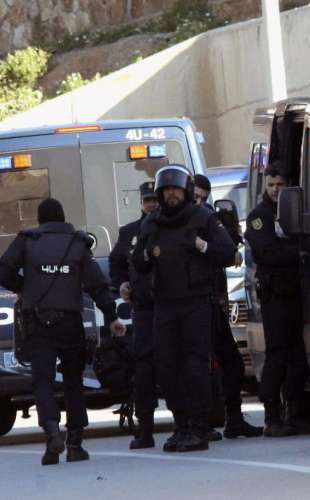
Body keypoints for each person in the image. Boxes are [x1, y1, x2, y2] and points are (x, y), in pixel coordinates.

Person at [0, 198, 125, 466]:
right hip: (70, 322)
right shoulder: (77, 244)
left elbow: (5, 270)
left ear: (40, 220)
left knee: (42, 380)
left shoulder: (27, 240)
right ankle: (75, 443)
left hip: (38, 322)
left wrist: (23, 286)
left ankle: (52, 432)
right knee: (73, 382)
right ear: (63, 218)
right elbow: (97, 285)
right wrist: (112, 316)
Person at [132, 165, 236, 452]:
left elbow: (228, 253)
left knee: (194, 366)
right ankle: (181, 425)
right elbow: (138, 263)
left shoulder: (202, 218)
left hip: (196, 302)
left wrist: (203, 246)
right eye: (166, 191)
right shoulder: (152, 223)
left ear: (187, 191)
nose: (172, 196)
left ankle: (199, 428)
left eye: (176, 190)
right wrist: (143, 253)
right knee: (166, 368)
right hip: (164, 305)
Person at [245, 164, 310, 437]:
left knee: (297, 355)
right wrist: (296, 254)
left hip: (296, 292)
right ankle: (272, 416)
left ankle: (296, 413)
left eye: (280, 185)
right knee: (276, 355)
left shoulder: (293, 211)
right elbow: (265, 252)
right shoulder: (259, 216)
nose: (276, 190)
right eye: (271, 185)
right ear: (265, 186)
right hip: (275, 293)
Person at [194, 173, 263, 439]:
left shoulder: (209, 220)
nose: (199, 202)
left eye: (203, 198)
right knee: (196, 367)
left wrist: (209, 245)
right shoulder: (179, 223)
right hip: (191, 307)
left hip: (214, 304)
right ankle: (197, 424)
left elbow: (228, 250)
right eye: (195, 197)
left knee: (232, 364)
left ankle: (234, 418)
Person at [109, 181, 160, 449]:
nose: (151, 204)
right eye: (147, 200)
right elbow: (116, 263)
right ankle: (145, 428)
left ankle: (191, 423)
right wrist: (121, 283)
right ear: (141, 201)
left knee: (179, 366)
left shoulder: (169, 226)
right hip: (143, 310)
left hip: (171, 308)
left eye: (155, 199)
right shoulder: (130, 232)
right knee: (144, 370)